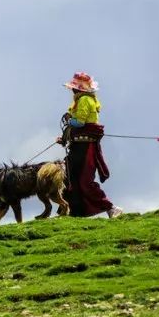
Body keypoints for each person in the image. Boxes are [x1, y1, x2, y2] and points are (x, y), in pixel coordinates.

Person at [58, 71, 123, 219]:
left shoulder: (84, 100)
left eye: (74, 88)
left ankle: (111, 208)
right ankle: (72, 212)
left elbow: (80, 122)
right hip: (78, 145)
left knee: (84, 181)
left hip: (85, 147)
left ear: (78, 89)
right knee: (69, 177)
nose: (72, 90)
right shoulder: (79, 100)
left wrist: (69, 121)